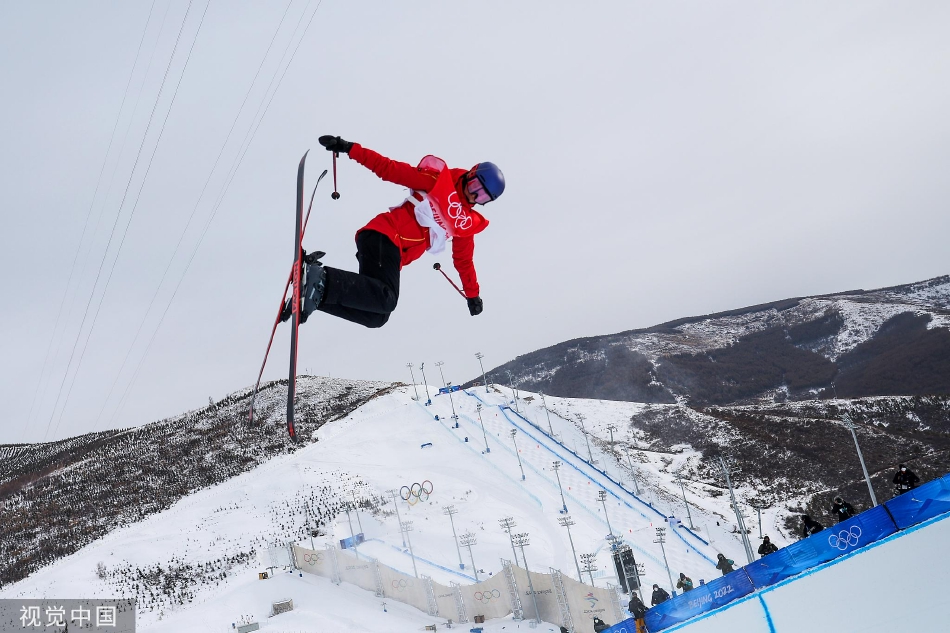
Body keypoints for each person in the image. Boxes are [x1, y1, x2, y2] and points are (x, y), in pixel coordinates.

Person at [287, 135, 505, 328]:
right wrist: (350, 148)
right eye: (475, 186)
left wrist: (472, 294)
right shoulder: (437, 182)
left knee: (377, 317)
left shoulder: (464, 223)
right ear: (471, 174)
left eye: (483, 197)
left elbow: (464, 261)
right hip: (384, 235)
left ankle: (315, 296)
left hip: (392, 253)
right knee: (387, 299)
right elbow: (389, 169)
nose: (474, 196)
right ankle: (320, 277)